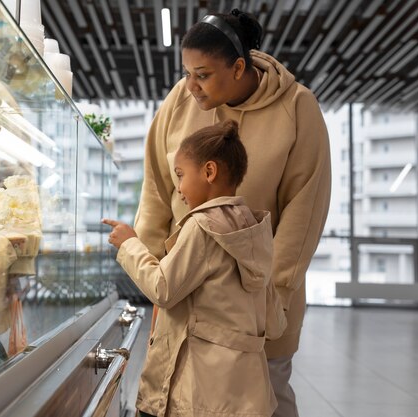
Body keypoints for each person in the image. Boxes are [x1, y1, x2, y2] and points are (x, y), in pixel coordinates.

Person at [133, 9, 331, 417]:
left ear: (239, 67)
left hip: (258, 300)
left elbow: (304, 212)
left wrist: (271, 296)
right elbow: (156, 187)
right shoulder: (180, 99)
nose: (191, 86)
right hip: (184, 289)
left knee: (262, 398)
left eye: (202, 75)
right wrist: (154, 274)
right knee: (181, 398)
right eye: (187, 73)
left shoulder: (298, 107)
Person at [103, 120, 286, 417]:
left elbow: (163, 288)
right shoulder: (252, 230)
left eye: (180, 174)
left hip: (195, 393)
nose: (178, 188)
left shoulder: (203, 226)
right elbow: (275, 322)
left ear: (209, 172)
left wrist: (129, 244)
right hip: (241, 394)